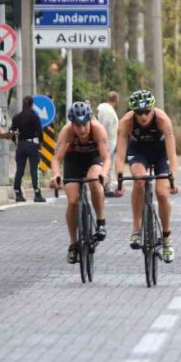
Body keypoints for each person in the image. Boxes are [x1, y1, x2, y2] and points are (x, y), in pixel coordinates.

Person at [114, 89, 180, 262]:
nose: (143, 117)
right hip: (138, 152)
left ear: (153, 109)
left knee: (162, 192)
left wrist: (173, 177)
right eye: (139, 113)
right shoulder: (126, 122)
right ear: (133, 112)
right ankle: (136, 229)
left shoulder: (163, 120)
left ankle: (166, 238)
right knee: (139, 180)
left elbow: (172, 154)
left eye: (146, 112)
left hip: (160, 153)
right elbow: (120, 155)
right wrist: (119, 179)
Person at [50, 102, 111, 263]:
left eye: (84, 124)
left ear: (90, 120)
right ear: (72, 124)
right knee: (72, 201)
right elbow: (56, 159)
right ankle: (73, 243)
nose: (82, 129)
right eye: (77, 125)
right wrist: (55, 175)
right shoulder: (67, 132)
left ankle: (100, 222)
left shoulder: (98, 129)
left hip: (94, 159)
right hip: (74, 161)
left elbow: (106, 158)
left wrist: (104, 174)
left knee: (94, 181)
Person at [9, 95, 45, 203]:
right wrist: (40, 145)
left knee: (19, 170)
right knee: (35, 169)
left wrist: (16, 142)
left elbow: (11, 132)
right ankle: (37, 194)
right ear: (32, 104)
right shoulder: (35, 117)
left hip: (21, 145)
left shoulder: (16, 117)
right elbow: (40, 133)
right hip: (32, 145)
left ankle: (18, 193)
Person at [97, 91, 120, 196]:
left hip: (108, 140)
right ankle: (107, 186)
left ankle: (106, 185)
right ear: (116, 100)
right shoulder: (109, 111)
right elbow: (105, 126)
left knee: (106, 164)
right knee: (108, 164)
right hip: (108, 141)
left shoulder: (101, 108)